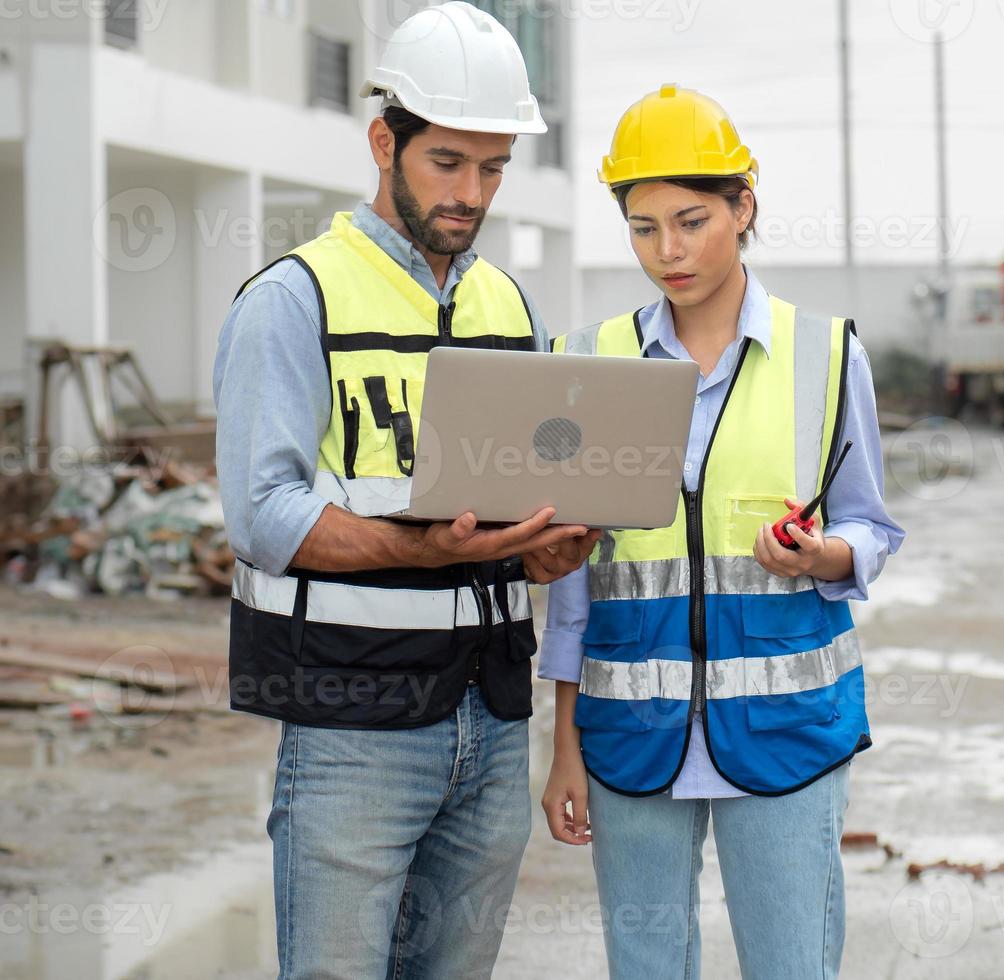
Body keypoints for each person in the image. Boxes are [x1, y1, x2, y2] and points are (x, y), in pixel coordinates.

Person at [213, 5, 600, 976]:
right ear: (385, 141)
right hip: (349, 723)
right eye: (449, 163)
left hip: (489, 713)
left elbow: (523, 500)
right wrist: (418, 548)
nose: (473, 193)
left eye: (494, 167)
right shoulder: (293, 300)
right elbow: (265, 516)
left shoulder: (508, 307)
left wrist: (547, 544)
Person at [540, 84, 905, 979]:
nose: (668, 251)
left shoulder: (825, 354)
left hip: (788, 730)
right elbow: (573, 584)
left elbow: (870, 522)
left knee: (793, 965)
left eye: (692, 220)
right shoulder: (589, 360)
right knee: (647, 965)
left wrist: (826, 555)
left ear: (744, 207)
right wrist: (563, 747)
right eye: (643, 226)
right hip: (631, 732)